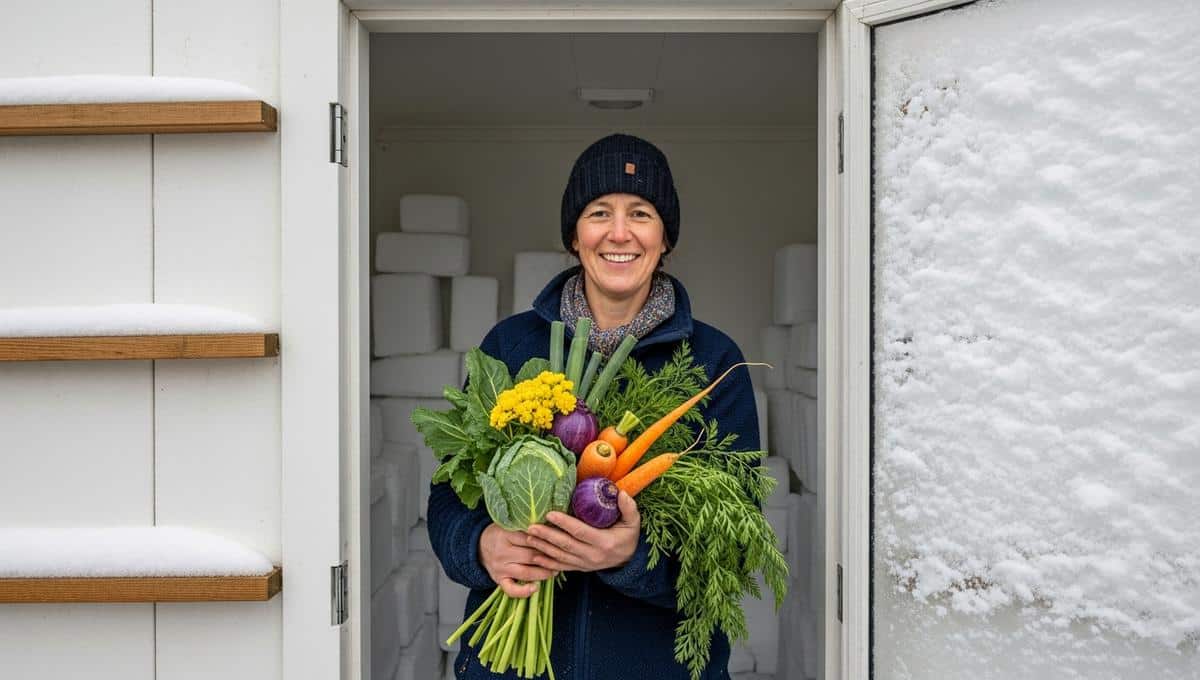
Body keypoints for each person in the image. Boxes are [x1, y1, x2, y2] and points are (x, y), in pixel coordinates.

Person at [428, 133, 761, 680]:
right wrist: (481, 544)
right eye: (599, 212)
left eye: (642, 213)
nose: (620, 233)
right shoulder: (510, 347)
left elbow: (738, 548)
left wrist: (630, 559)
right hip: (510, 664)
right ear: (574, 236)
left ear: (665, 237)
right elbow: (448, 493)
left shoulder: (714, 362)